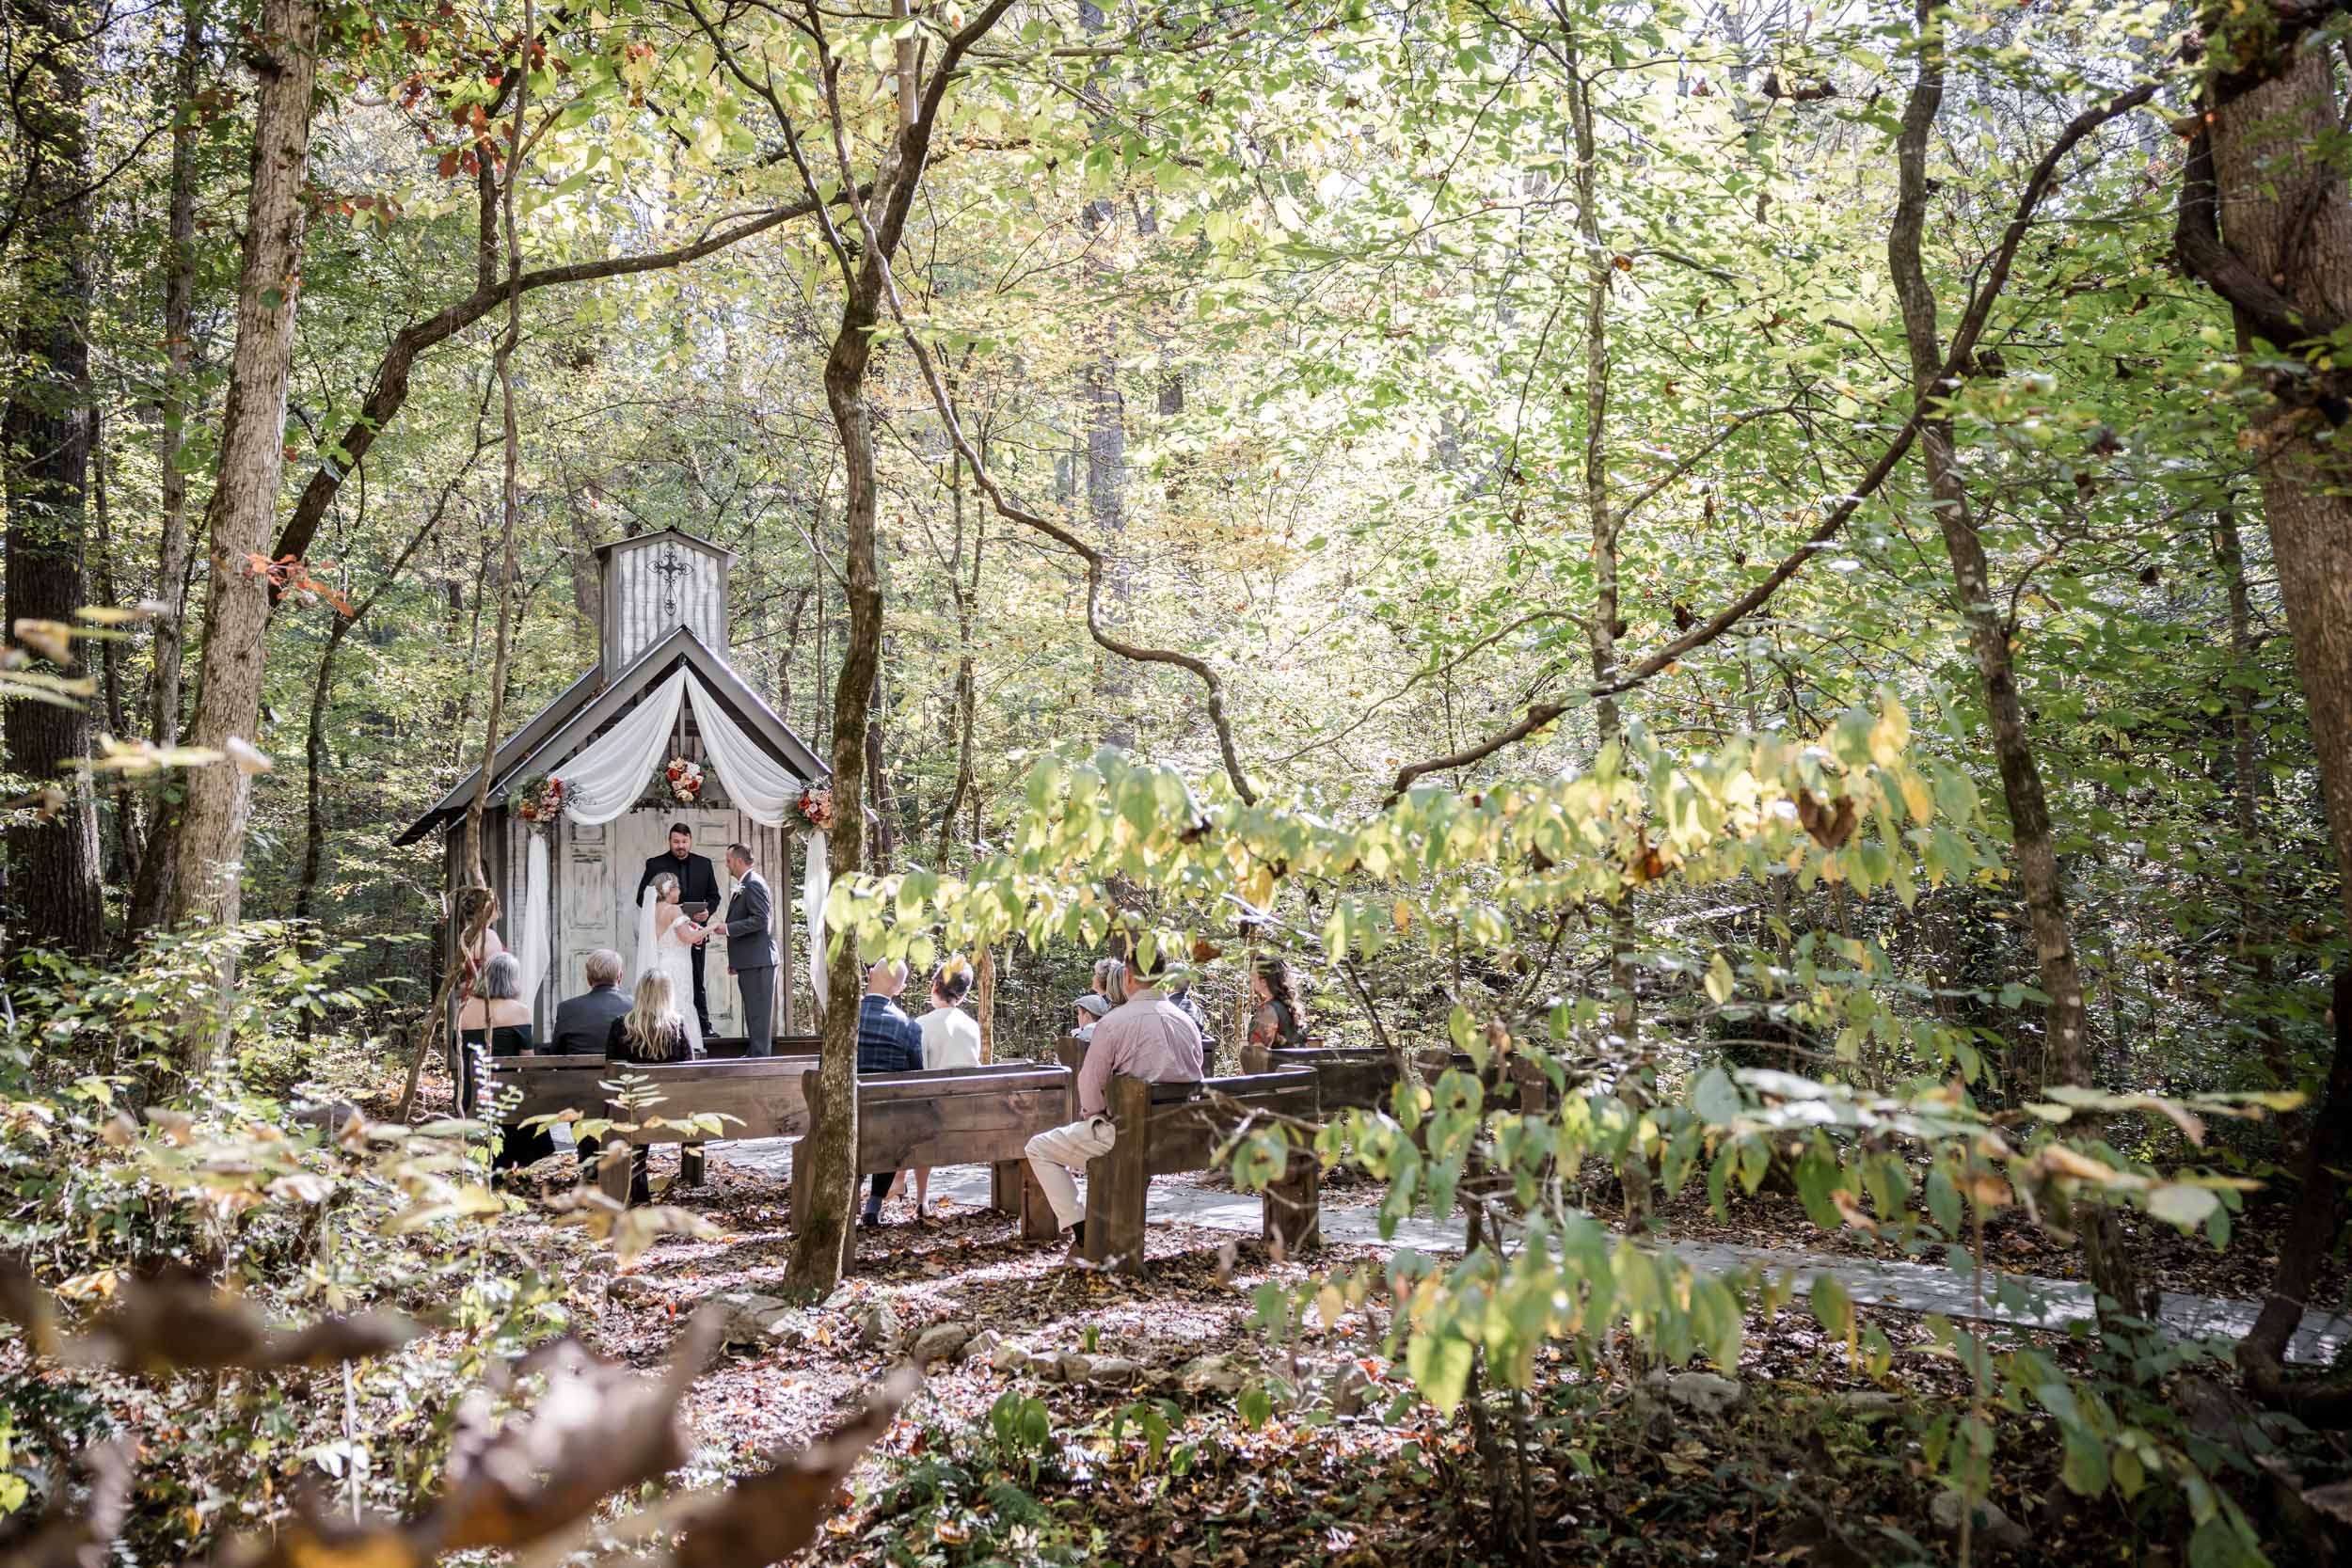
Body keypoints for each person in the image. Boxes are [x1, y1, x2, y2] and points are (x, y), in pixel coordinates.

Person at [1024, 946, 1204, 1257]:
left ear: (1129, 977)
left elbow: (1090, 1086)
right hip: (1182, 1137)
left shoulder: (1114, 1023)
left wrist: (1093, 1118)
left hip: (1127, 1138)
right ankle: (1091, 1230)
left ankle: (1082, 1228)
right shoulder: (1186, 1022)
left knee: (1039, 1147)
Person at [600, 973, 694, 1203]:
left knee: (628, 1110)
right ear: (667, 995)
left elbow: (611, 1070)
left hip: (631, 1108)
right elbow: (690, 1070)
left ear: (640, 994)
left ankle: (636, 1190)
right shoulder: (677, 1026)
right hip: (670, 1110)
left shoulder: (620, 1025)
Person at [458, 952, 553, 1171]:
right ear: (511, 979)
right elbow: (527, 1061)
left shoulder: (464, 1011)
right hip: (505, 1095)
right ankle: (512, 1166)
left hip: (472, 1092)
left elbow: (459, 1052)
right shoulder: (519, 1011)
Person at [905, 959, 981, 1218]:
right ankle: (917, 1196)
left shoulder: (920, 1024)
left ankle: (921, 1196)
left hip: (931, 1116)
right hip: (969, 1114)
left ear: (935, 985)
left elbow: (917, 1073)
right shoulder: (972, 1026)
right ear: (962, 996)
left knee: (918, 1110)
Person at [855, 958, 925, 1227]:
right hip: (889, 1120)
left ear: (870, 975)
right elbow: (916, 1075)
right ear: (900, 989)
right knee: (892, 1125)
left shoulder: (844, 1018)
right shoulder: (908, 1026)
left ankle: (851, 1198)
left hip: (849, 1112)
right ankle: (873, 1204)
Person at [635, 822, 720, 1036]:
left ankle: (703, 1026)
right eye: (676, 842)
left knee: (697, 979)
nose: (680, 846)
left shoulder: (704, 864)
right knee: (663, 982)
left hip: (694, 930)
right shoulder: (655, 864)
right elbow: (642, 899)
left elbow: (714, 896)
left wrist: (707, 912)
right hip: (667, 934)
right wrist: (670, 911)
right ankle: (660, 1027)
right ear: (669, 841)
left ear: (690, 840)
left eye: (684, 841)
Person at [633, 872, 708, 1058]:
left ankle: (660, 1046)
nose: (680, 891)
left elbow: (674, 935)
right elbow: (688, 937)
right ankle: (683, 1049)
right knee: (679, 1005)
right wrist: (712, 926)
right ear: (670, 890)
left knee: (663, 1008)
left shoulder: (652, 909)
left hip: (660, 962)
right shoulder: (674, 910)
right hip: (676, 966)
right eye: (678, 887)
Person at [716, 842, 778, 1055]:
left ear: (740, 861)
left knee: (759, 1016)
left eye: (729, 861)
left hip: (759, 961)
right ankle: (755, 1055)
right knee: (753, 1014)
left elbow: (761, 920)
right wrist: (736, 962)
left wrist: (727, 929)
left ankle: (760, 1062)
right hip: (750, 961)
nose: (727, 865)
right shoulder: (748, 883)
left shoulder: (753, 884)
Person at [548, 949, 629, 1053]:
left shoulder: (566, 1008)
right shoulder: (635, 1006)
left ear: (588, 979)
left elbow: (555, 1053)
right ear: (619, 977)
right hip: (621, 1070)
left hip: (577, 1070)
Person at [453, 887, 505, 1001]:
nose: (499, 905)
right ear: (486, 908)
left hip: (469, 999)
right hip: (486, 1000)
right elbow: (498, 977)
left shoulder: (466, 935)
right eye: (496, 903)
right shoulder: (489, 936)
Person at [1248, 957, 1310, 1050]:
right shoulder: (1288, 1007)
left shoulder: (1269, 1010)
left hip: (1277, 1064)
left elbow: (1258, 1052)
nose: (1251, 978)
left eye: (1253, 975)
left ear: (1264, 981)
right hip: (1297, 1063)